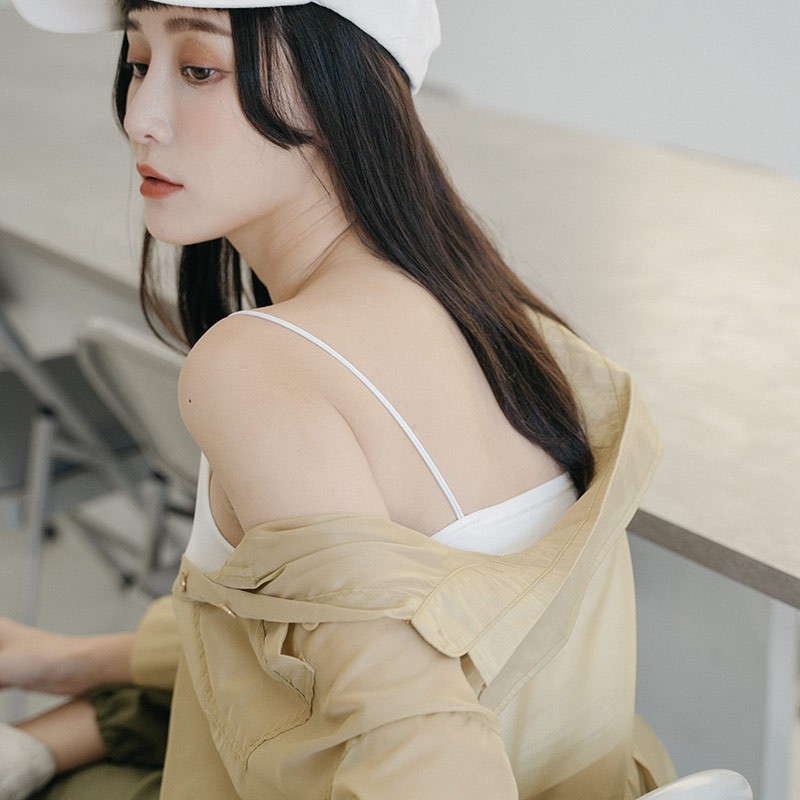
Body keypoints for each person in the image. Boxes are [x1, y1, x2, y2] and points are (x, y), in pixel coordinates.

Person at [3, 1, 676, 798]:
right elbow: (350, 646)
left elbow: (419, 756)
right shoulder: (510, 326)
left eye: (200, 69)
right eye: (138, 60)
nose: (139, 118)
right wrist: (74, 662)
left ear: (338, 87)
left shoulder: (261, 366)